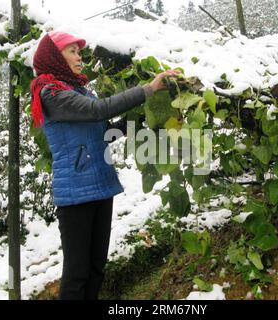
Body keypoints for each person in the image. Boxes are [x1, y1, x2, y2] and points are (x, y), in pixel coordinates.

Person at [30, 31, 180, 300]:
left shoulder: (78, 90)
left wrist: (137, 123)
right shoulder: (51, 93)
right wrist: (148, 89)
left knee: (97, 267)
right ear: (55, 56)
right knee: (77, 273)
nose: (79, 58)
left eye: (79, 52)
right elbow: (98, 110)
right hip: (75, 193)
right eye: (72, 52)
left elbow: (101, 131)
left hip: (100, 186)